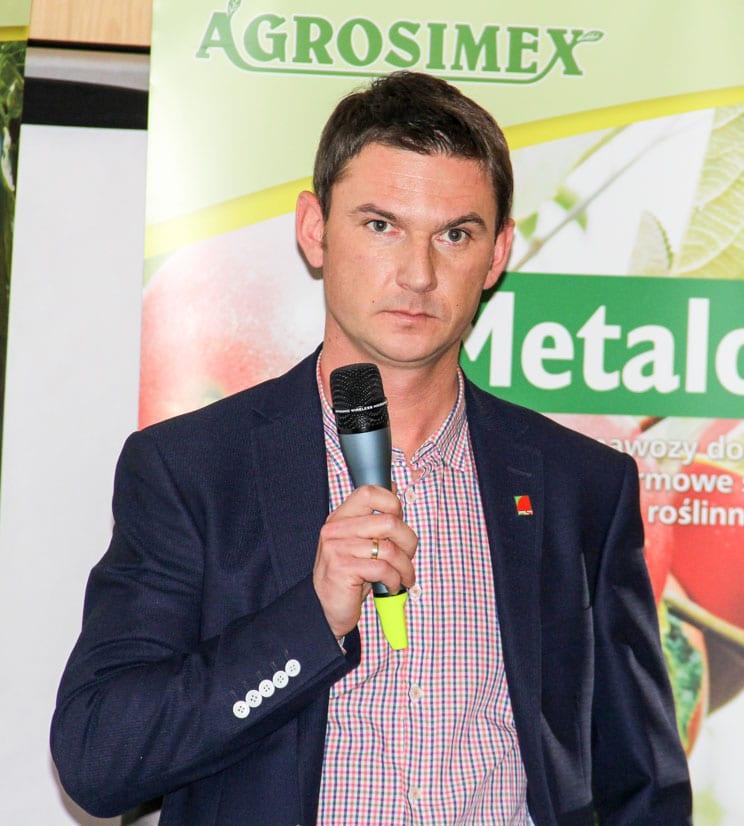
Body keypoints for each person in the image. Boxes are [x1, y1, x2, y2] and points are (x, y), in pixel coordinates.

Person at [51, 71, 691, 825]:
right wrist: (310, 618)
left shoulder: (580, 485)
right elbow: (99, 759)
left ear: (497, 255)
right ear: (314, 229)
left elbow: (642, 787)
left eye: (455, 234)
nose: (418, 274)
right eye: (382, 225)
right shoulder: (191, 470)